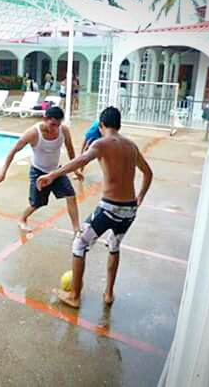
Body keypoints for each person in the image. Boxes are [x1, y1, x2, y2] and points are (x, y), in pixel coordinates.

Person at [37, 106, 153, 308]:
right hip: (129, 211)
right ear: (119, 125)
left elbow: (80, 160)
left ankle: (74, 296)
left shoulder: (101, 143)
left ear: (101, 125)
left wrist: (52, 175)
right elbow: (148, 173)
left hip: (109, 208)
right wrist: (140, 196)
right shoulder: (132, 146)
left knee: (79, 244)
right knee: (114, 246)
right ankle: (108, 294)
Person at [0, 106, 82, 234]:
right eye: (52, 124)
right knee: (37, 203)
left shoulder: (64, 130)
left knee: (71, 196)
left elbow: (70, 148)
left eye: (58, 125)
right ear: (44, 119)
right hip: (38, 172)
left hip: (56, 171)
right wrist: (2, 173)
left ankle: (76, 230)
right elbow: (13, 151)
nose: (55, 128)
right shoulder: (33, 133)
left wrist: (76, 170)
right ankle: (23, 219)